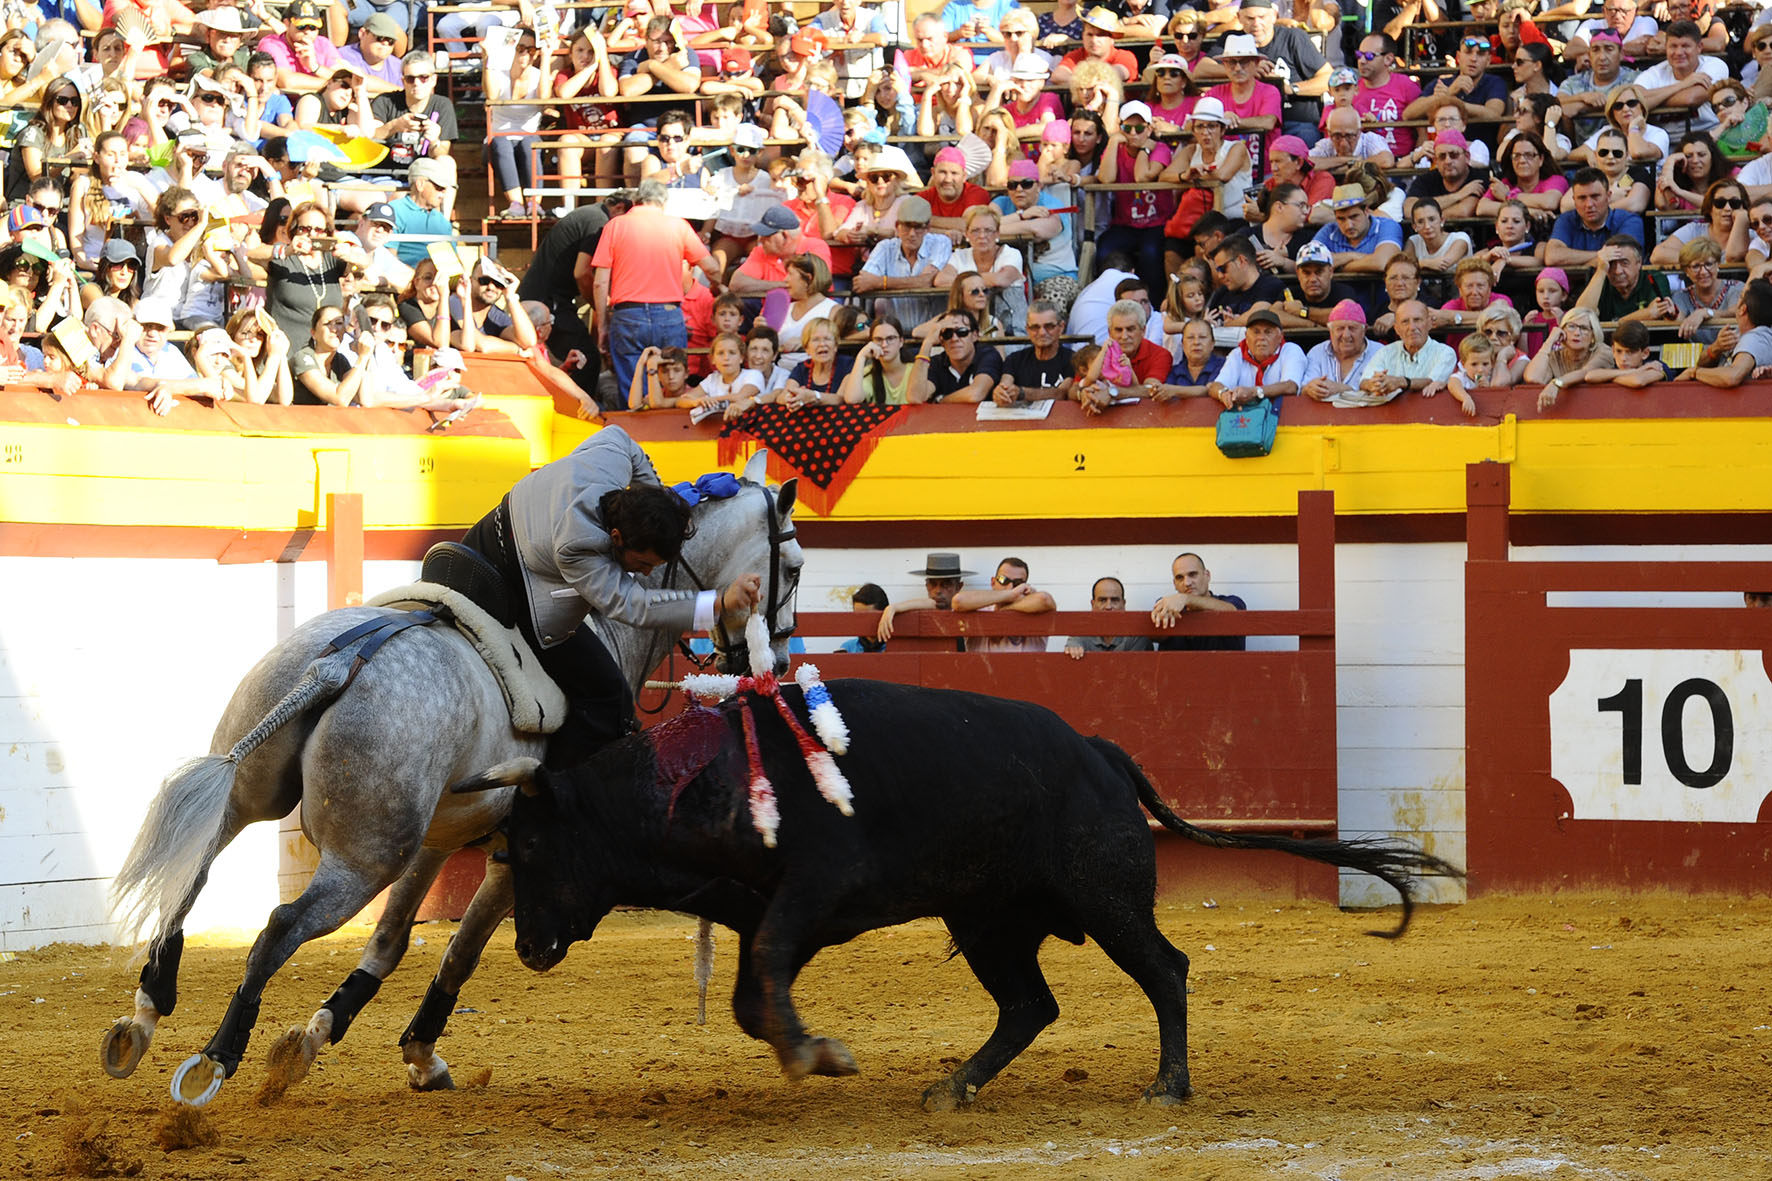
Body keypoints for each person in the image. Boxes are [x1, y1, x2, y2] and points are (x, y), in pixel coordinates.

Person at [460, 426, 762, 766]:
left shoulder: (610, 458)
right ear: (615, 536)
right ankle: (555, 798)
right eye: (642, 563)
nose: (648, 574)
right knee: (607, 695)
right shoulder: (579, 544)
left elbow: (621, 436)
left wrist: (657, 499)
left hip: (483, 536)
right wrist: (719, 603)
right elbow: (636, 607)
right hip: (509, 582)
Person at [591, 178, 724, 404]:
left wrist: (602, 325)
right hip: (668, 312)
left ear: (635, 201)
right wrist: (716, 286)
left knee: (633, 389)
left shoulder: (615, 226)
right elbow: (711, 267)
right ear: (663, 203)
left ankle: (634, 436)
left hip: (628, 315)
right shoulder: (678, 225)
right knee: (672, 382)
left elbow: (599, 283)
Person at [854, 194, 952, 329]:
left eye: (917, 227)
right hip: (893, 337)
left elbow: (926, 281)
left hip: (934, 335)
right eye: (907, 226)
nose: (912, 234)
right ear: (897, 226)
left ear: (927, 228)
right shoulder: (885, 247)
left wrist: (879, 282)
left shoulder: (940, 242)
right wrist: (874, 282)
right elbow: (862, 282)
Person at [1678, 277, 1772, 388]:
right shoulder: (1738, 333)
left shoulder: (1755, 337)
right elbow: (1702, 364)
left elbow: (1732, 377)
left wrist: (1694, 372)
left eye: (1740, 296)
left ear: (1743, 309)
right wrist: (1716, 347)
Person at [954, 556, 1057, 653]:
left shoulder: (1035, 606)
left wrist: (1004, 609)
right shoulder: (981, 607)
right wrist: (1011, 594)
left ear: (1025, 587)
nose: (1010, 587)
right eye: (1003, 580)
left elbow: (1044, 599)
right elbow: (958, 601)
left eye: (1017, 583)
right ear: (993, 582)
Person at [1547, 169, 1645, 269]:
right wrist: (1601, 255)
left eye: (1595, 196)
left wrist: (1579, 262)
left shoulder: (1629, 220)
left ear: (1609, 196)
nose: (1589, 204)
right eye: (1582, 198)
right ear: (1574, 200)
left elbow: (1623, 257)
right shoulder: (1566, 220)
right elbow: (1552, 256)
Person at [1207, 308, 1304, 407]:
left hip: (1282, 415)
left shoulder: (1291, 350)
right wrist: (1223, 393)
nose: (1261, 337)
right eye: (1256, 332)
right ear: (1246, 337)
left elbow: (1290, 386)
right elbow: (1215, 386)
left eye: (1268, 332)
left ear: (1280, 337)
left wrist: (1255, 392)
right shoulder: (1237, 354)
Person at [1363, 300, 1457, 402]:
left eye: (1417, 320)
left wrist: (1401, 382)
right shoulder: (1385, 352)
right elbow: (1364, 381)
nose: (1412, 327)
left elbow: (1433, 381)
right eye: (1405, 322)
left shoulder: (1445, 353)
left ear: (1430, 323)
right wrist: (1375, 384)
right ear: (1397, 329)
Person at [1151, 552, 1246, 651]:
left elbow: (1233, 612)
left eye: (1192, 574)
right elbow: (1154, 637)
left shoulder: (1231, 601)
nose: (1187, 583)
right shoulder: (1168, 604)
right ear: (1174, 583)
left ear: (1207, 575)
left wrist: (1186, 599)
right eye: (1180, 578)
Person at [876, 551, 971, 644]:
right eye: (933, 584)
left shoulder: (967, 610)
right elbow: (931, 604)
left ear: (958, 586)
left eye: (946, 585)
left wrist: (895, 607)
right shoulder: (920, 611)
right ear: (926, 585)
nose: (938, 590)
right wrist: (893, 607)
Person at [1573, 234, 1673, 323]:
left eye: (1624, 263)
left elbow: (1659, 312)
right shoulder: (1600, 279)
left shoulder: (1654, 278)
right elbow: (1580, 315)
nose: (1617, 271)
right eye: (1611, 264)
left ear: (1639, 263)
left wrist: (1618, 323)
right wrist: (1601, 270)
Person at [1301, 299, 1385, 405]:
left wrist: (1342, 389)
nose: (1346, 335)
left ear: (1364, 330)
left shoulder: (1380, 352)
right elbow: (1303, 389)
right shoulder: (1317, 352)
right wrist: (1310, 389)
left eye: (1352, 328)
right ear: (1330, 331)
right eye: (1340, 328)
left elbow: (1382, 394)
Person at [1353, 33, 1421, 159]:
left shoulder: (1405, 85)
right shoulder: (1352, 89)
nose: (1361, 61)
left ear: (1388, 59)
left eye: (1369, 56)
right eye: (1359, 55)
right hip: (1364, 163)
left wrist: (1414, 162)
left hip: (1403, 162)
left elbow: (1423, 132)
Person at [912, 308, 1000, 403]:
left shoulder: (988, 355)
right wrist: (927, 343)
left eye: (962, 332)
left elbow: (976, 394)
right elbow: (915, 397)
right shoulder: (937, 362)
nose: (954, 339)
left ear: (975, 335)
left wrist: (941, 400)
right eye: (947, 333)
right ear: (941, 341)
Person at [995, 299, 1074, 405]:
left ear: (1061, 327)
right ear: (1027, 329)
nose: (1042, 332)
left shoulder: (1073, 359)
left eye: (1049, 326)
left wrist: (1022, 393)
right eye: (1035, 327)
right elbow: (1005, 384)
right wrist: (1002, 393)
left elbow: (1062, 393)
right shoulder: (1015, 359)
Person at [1526, 306, 1606, 410]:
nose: (1577, 333)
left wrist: (1556, 383)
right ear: (1562, 331)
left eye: (1584, 328)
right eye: (1571, 326)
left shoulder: (1603, 351)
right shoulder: (1555, 356)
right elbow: (1533, 377)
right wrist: (1550, 341)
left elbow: (1586, 372)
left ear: (1593, 336)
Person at [1404, 130, 1489, 221]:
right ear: (1435, 161)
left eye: (1454, 155)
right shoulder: (1425, 179)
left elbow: (1463, 212)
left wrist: (1422, 216)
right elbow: (1409, 210)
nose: (1448, 161)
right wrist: (1458, 195)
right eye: (1442, 156)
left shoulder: (1479, 178)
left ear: (1467, 157)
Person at [1065, 576, 1154, 658]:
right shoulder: (1080, 635)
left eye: (1114, 600)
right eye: (1102, 600)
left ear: (1123, 604)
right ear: (1093, 604)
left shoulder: (1136, 636)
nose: (1108, 606)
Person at [837, 583, 890, 654]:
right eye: (857, 616)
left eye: (868, 616)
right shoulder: (848, 648)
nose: (862, 622)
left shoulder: (895, 647)